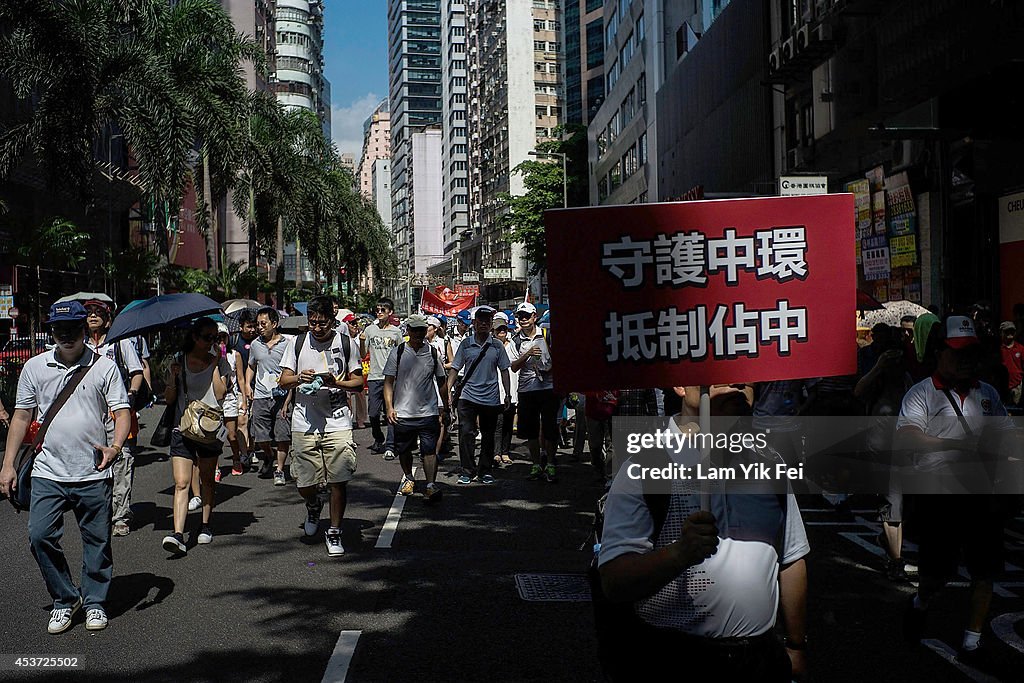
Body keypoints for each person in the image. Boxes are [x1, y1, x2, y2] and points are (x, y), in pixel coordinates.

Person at [598, 384, 809, 681]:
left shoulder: (770, 464)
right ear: (681, 386)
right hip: (672, 660)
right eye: (722, 370)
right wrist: (678, 554)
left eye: (746, 374)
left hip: (761, 660)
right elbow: (614, 582)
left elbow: (791, 558)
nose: (738, 383)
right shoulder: (647, 465)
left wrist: (796, 644)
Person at [0, 301, 131, 633]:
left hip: (93, 470)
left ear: (84, 330)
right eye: (60, 331)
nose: (67, 336)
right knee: (39, 535)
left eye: (73, 330)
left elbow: (122, 411)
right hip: (48, 470)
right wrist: (8, 465)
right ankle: (64, 599)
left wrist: (115, 447)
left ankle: (95, 602)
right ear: (52, 331)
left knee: (97, 540)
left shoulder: (104, 368)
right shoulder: (35, 367)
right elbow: (21, 416)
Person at [899, 315, 1018, 668]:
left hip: (981, 496)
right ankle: (919, 603)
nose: (965, 360)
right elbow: (907, 435)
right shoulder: (921, 393)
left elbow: (1006, 431)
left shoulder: (988, 394)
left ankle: (972, 642)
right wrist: (960, 445)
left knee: (986, 570)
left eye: (971, 353)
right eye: (956, 352)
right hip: (939, 499)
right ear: (939, 353)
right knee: (937, 575)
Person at [279, 296, 363, 557]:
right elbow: (282, 381)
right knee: (304, 482)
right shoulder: (297, 343)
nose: (317, 328)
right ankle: (313, 504)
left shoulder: (346, 343)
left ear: (332, 320)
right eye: (312, 322)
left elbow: (358, 383)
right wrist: (298, 378)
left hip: (337, 420)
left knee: (338, 479)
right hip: (304, 422)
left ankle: (335, 531)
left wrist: (336, 383)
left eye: (322, 323)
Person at [161, 318, 229, 555]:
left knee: (207, 480)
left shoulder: (219, 362)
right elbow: (169, 398)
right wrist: (173, 378)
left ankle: (205, 524)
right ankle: (178, 534)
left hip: (209, 429)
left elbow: (220, 394)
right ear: (194, 337)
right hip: (183, 428)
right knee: (181, 483)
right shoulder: (179, 361)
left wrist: (216, 365)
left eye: (216, 337)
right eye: (208, 337)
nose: (213, 341)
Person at [82, 299, 144, 538]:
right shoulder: (82, 347)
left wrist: (129, 396)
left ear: (108, 319)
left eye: (98, 313)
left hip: (118, 415)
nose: (93, 316)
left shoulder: (120, 343)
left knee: (122, 464)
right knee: (94, 465)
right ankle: (100, 512)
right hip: (90, 416)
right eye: (89, 313)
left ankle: (120, 517)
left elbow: (136, 373)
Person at [383, 314, 448, 502]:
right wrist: (389, 407)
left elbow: (442, 381)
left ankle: (430, 484)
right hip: (403, 413)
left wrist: (445, 406)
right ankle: (409, 478)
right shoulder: (398, 352)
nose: (419, 333)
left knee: (429, 450)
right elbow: (388, 381)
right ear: (408, 331)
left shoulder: (433, 352)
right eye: (415, 330)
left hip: (428, 411)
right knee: (404, 450)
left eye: (422, 329)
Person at [447, 306, 511, 485]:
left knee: (488, 436)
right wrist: (448, 393)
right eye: (480, 321)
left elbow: (505, 370)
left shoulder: (497, 345)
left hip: (490, 398)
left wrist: (507, 394)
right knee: (466, 434)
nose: (483, 324)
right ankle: (467, 470)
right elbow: (455, 369)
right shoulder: (466, 344)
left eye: (487, 321)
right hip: (467, 397)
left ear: (491, 325)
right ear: (474, 324)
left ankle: (485, 470)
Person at [509, 302, 559, 482]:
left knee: (550, 426)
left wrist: (549, 368)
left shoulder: (546, 334)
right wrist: (528, 354)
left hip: (548, 387)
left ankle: (551, 463)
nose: (523, 319)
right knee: (530, 430)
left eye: (526, 316)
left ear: (534, 317)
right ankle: (536, 464)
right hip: (526, 389)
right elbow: (513, 367)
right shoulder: (515, 340)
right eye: (520, 316)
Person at [246, 307, 292, 486]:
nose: (259, 327)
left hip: (281, 396)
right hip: (260, 396)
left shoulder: (287, 344)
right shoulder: (256, 344)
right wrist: (247, 387)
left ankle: (279, 469)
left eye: (263, 323)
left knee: (282, 435)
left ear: (274, 324)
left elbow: (292, 371)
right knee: (261, 437)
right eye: (257, 324)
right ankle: (269, 455)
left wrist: (288, 400)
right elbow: (251, 366)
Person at [360, 297, 404, 459]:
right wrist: (361, 342)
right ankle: (378, 439)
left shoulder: (396, 331)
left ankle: (391, 446)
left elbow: (401, 353)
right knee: (373, 413)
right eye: (377, 310)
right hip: (374, 376)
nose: (379, 313)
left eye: (382, 310)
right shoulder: (370, 330)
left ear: (390, 312)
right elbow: (363, 354)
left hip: (391, 378)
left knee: (390, 413)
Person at [231, 310, 258, 467]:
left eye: (254, 326)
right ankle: (244, 452)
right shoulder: (234, 341)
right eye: (249, 326)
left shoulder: (259, 342)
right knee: (242, 420)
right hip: (239, 387)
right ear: (241, 327)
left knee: (253, 422)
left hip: (258, 387)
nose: (252, 330)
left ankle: (252, 448)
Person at [217, 323, 244, 479]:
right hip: (215, 399)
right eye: (218, 337)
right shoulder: (211, 355)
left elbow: (240, 378)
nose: (221, 340)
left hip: (230, 398)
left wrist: (244, 399)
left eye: (224, 337)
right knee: (214, 436)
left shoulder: (235, 355)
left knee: (231, 434)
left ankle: (236, 458)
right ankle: (216, 467)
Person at [492, 312, 518, 466]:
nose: (501, 332)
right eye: (498, 330)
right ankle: (496, 452)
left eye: (504, 329)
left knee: (508, 423)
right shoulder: (491, 346)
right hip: (496, 391)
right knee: (498, 424)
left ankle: (505, 452)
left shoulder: (514, 344)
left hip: (512, 390)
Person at [999, 320, 1024, 406]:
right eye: (1006, 331)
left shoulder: (1021, 348)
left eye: (1012, 331)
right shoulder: (998, 349)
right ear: (1001, 333)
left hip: (1017, 386)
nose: (1009, 333)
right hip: (1001, 387)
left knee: (1016, 411)